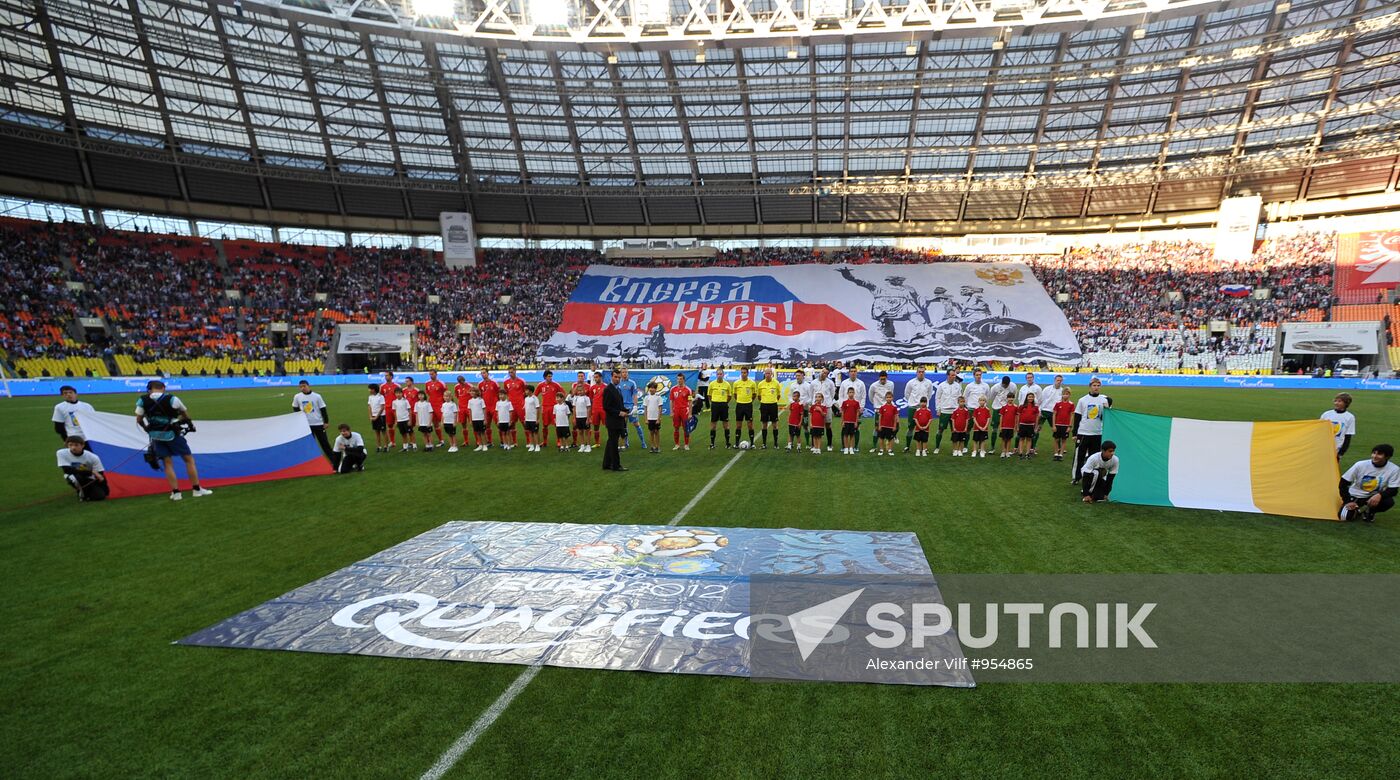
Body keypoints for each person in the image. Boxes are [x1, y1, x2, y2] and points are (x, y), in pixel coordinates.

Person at [135, 379, 212, 501]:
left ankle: (176, 493)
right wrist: (190, 424)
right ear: (163, 388)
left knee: (167, 463)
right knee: (188, 460)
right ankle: (196, 490)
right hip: (173, 433)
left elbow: (139, 419)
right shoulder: (172, 399)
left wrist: (147, 429)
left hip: (156, 436)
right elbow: (184, 414)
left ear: (149, 389)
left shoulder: (142, 400)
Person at [1339, 444, 1398, 522]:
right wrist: (1348, 501)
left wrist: (1380, 495)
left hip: (1372, 497)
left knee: (1388, 502)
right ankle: (1359, 510)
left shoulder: (1394, 469)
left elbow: (1393, 490)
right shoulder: (1360, 465)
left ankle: (1370, 511)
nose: (1375, 456)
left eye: (1379, 454)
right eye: (1374, 453)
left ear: (1387, 457)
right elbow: (1343, 483)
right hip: (1355, 496)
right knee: (1344, 517)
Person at [1072, 378, 1112, 479]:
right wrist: (1074, 433)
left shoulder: (1104, 401)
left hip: (1097, 433)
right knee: (1079, 457)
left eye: (1098, 386)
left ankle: (1090, 477)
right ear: (1090, 386)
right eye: (1094, 385)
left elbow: (1105, 418)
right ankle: (1076, 477)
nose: (1096, 388)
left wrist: (1106, 410)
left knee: (1094, 457)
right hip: (1084, 433)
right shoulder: (1082, 400)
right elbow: (1077, 417)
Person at [57, 435, 107, 501]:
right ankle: (82, 495)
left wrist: (103, 487)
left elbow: (100, 473)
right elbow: (67, 470)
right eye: (70, 445)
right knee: (76, 478)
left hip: (89, 478)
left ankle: (87, 491)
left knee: (100, 496)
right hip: (74, 476)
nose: (73, 448)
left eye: (76, 445)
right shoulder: (61, 453)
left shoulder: (93, 457)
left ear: (82, 445)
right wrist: (91, 472)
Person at [293, 380, 332, 459]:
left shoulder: (317, 396)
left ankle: (334, 460)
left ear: (308, 385)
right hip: (306, 425)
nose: (302, 388)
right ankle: (311, 460)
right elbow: (295, 407)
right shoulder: (297, 397)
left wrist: (326, 422)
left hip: (318, 424)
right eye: (301, 387)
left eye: (304, 386)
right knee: (309, 445)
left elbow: (323, 409)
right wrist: (301, 418)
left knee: (325, 443)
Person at [902, 367, 936, 453]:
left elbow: (929, 395)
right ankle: (907, 446)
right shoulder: (911, 382)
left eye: (923, 372)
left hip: (924, 408)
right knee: (911, 427)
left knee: (925, 428)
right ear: (916, 372)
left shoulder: (929, 383)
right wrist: (913, 402)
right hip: (913, 407)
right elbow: (907, 394)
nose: (921, 373)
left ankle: (924, 448)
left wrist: (923, 405)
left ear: (925, 373)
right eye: (919, 372)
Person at [602, 369, 628, 471]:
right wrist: (619, 412)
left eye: (619, 377)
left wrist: (625, 410)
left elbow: (617, 404)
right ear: (611, 377)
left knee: (611, 442)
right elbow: (606, 406)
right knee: (613, 444)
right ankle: (616, 465)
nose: (617, 379)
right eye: (615, 377)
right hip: (613, 421)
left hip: (617, 420)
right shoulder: (608, 389)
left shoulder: (617, 388)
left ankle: (606, 464)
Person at [931, 369, 961, 455]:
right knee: (940, 430)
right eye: (952, 375)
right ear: (948, 376)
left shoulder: (957, 386)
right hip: (944, 411)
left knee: (954, 430)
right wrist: (938, 409)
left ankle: (954, 449)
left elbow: (960, 398)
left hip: (955, 411)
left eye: (954, 375)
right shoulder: (941, 385)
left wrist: (959, 409)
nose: (954, 377)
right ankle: (937, 447)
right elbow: (938, 398)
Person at [838, 367, 867, 451]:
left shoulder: (861, 383)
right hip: (846, 409)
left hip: (856, 409)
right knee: (844, 427)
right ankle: (844, 447)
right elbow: (840, 395)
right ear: (849, 373)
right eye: (851, 371)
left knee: (856, 427)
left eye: (854, 371)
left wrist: (861, 407)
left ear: (857, 372)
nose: (853, 373)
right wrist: (841, 406)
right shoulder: (844, 383)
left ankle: (855, 446)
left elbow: (863, 396)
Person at [867, 372, 897, 453]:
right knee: (877, 429)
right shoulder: (874, 385)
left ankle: (891, 440)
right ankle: (874, 446)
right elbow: (870, 396)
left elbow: (891, 394)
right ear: (879, 378)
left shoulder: (891, 384)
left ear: (887, 377)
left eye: (884, 379)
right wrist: (876, 404)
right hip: (878, 409)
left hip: (889, 409)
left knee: (894, 426)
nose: (883, 380)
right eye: (881, 379)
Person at [1321, 393, 1357, 459]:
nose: (1336, 403)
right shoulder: (1326, 414)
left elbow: (1348, 437)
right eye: (1335, 401)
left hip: (1336, 448)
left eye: (1339, 401)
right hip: (1323, 447)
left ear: (1346, 403)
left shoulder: (1350, 417)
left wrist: (1341, 453)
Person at [787, 369, 814, 448]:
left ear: (803, 376)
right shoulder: (793, 385)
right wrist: (793, 403)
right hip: (794, 410)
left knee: (805, 426)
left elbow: (811, 397)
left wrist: (805, 403)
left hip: (804, 409)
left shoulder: (808, 386)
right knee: (792, 425)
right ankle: (790, 444)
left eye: (799, 376)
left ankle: (807, 443)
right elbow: (789, 396)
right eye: (796, 376)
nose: (797, 377)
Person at [1018, 372, 1044, 454]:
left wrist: (1037, 411)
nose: (1029, 379)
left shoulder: (1038, 388)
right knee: (1021, 434)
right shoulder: (1022, 388)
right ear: (1026, 378)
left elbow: (1040, 400)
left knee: (1034, 431)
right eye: (1028, 377)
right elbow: (1020, 399)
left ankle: (1032, 448)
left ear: (1033, 378)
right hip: (1023, 412)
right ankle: (1019, 450)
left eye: (1031, 377)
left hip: (1033, 412)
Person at [536, 370, 564, 448]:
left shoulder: (556, 385)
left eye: (551, 376)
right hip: (545, 408)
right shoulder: (540, 385)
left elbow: (563, 393)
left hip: (554, 408)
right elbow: (535, 395)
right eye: (549, 376)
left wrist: (560, 403)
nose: (550, 378)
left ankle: (559, 441)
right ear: (545, 377)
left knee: (557, 425)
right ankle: (545, 442)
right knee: (545, 426)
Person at [616, 367, 642, 449]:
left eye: (626, 372)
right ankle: (626, 443)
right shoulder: (618, 383)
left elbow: (635, 395)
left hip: (631, 407)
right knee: (624, 425)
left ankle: (643, 442)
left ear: (628, 373)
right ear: (621, 373)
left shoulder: (632, 383)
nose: (624, 373)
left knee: (636, 424)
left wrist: (635, 406)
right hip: (622, 407)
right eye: (623, 372)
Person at [708, 368, 733, 449]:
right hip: (715, 405)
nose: (719, 375)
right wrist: (714, 402)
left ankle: (728, 443)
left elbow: (729, 396)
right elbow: (709, 395)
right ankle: (712, 444)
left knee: (725, 424)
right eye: (718, 374)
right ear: (716, 375)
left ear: (723, 375)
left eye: (720, 374)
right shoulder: (712, 384)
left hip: (724, 405)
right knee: (713, 425)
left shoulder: (727, 384)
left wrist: (724, 402)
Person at [812, 369, 837, 451]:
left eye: (826, 373)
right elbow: (811, 393)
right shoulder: (813, 382)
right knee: (814, 425)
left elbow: (832, 394)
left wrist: (827, 402)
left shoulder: (830, 383)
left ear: (827, 374)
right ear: (820, 372)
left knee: (828, 425)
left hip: (827, 406)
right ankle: (814, 445)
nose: (824, 374)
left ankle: (829, 444)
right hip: (815, 407)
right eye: (823, 372)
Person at [757, 368, 782, 449]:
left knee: (775, 425)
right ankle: (764, 443)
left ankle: (776, 443)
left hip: (773, 405)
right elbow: (759, 396)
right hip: (764, 405)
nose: (767, 375)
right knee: (764, 424)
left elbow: (778, 395)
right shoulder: (760, 384)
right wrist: (764, 401)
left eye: (769, 373)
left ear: (772, 374)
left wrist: (772, 400)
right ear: (764, 374)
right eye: (766, 373)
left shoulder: (776, 383)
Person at [669, 372, 694, 451]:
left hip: (684, 411)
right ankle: (677, 444)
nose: (679, 380)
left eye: (680, 379)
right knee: (676, 428)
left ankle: (686, 444)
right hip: (676, 411)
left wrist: (690, 413)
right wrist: (671, 412)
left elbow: (690, 402)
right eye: (678, 379)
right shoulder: (673, 389)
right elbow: (671, 401)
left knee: (685, 428)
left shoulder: (688, 390)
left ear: (684, 380)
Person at [424, 370, 447, 449]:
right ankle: (441, 441)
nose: (431, 375)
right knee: (435, 424)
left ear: (436, 374)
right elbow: (428, 393)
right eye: (430, 374)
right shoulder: (427, 383)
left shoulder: (441, 383)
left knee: (445, 423)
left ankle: (452, 440)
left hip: (439, 406)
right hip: (431, 406)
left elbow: (446, 393)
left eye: (432, 374)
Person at [477, 369, 500, 447]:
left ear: (488, 373)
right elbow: (479, 395)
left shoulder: (494, 383)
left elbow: (499, 394)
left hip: (494, 407)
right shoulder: (480, 384)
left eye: (484, 373)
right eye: (482, 373)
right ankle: (489, 442)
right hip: (485, 408)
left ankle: (503, 442)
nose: (483, 374)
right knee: (487, 425)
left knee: (499, 424)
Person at [379, 371, 401, 449]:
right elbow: (381, 397)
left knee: (401, 424)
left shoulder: (397, 386)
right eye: (385, 376)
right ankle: (392, 442)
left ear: (391, 377)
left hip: (396, 407)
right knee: (389, 425)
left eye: (387, 375)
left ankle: (409, 442)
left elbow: (401, 396)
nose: (386, 377)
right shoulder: (382, 386)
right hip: (387, 408)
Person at [1051, 388, 1074, 462]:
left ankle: (1061, 454)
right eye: (1064, 394)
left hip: (1065, 425)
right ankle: (1056, 453)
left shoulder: (1071, 404)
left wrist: (1070, 426)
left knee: (1064, 440)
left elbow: (1071, 415)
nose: (1065, 395)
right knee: (1056, 439)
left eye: (1067, 394)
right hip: (1057, 424)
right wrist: (1054, 425)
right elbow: (1054, 414)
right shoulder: (1058, 403)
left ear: (1069, 395)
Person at [1016, 394, 1040, 460]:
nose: (1030, 398)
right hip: (1022, 425)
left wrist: (1036, 426)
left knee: (1029, 439)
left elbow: (1037, 417)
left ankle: (1027, 453)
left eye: (1032, 397)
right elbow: (1018, 416)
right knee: (1021, 439)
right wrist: (1017, 426)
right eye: (1029, 397)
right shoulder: (1022, 406)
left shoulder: (1035, 407)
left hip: (1031, 425)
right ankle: (1020, 453)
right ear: (1027, 398)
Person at [840, 387, 862, 455]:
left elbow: (857, 413)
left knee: (852, 435)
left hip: (853, 422)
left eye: (852, 392)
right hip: (846, 421)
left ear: (854, 393)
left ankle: (851, 448)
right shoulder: (844, 402)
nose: (851, 394)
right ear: (847, 393)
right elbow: (843, 412)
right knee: (845, 435)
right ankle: (846, 448)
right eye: (850, 392)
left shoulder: (856, 403)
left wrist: (856, 421)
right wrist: (842, 421)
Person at [588, 371, 608, 447]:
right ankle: (597, 443)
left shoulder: (606, 387)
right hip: (595, 409)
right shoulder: (592, 388)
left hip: (603, 409)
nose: (596, 379)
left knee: (608, 425)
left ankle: (611, 441)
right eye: (594, 377)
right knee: (596, 426)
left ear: (600, 377)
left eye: (597, 377)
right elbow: (591, 399)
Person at [367, 384, 388, 453]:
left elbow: (382, 407)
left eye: (370, 389)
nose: (369, 390)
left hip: (381, 416)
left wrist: (377, 416)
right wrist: (370, 416)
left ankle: (385, 446)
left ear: (374, 389)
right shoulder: (370, 397)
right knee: (376, 432)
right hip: (374, 416)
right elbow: (369, 406)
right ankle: (379, 446)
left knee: (383, 431)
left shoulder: (380, 397)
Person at [644, 382, 664, 453]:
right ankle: (652, 446)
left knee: (656, 432)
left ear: (656, 389)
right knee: (651, 432)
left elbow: (660, 408)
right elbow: (645, 409)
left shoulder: (658, 397)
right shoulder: (646, 397)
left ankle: (657, 446)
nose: (651, 389)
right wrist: (646, 419)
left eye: (653, 388)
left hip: (656, 418)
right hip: (650, 418)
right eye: (650, 388)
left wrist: (659, 418)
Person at [573, 385, 593, 453]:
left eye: (581, 390)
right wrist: (574, 418)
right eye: (578, 391)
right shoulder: (575, 398)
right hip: (578, 417)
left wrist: (588, 418)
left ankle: (588, 445)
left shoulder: (586, 398)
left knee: (587, 432)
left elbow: (589, 408)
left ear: (584, 391)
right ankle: (582, 445)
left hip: (585, 417)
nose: (580, 392)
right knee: (580, 432)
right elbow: (574, 408)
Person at [522, 384, 542, 452]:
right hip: (528, 419)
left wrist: (537, 419)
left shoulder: (535, 398)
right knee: (530, 432)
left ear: (530, 391)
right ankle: (531, 445)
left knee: (535, 433)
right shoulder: (526, 398)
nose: (525, 391)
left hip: (533, 419)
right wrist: (525, 418)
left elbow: (538, 408)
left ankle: (537, 445)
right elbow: (526, 409)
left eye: (526, 390)